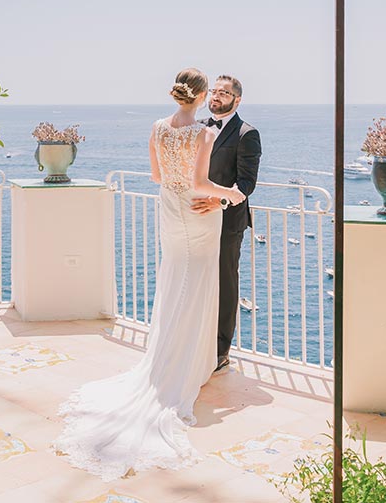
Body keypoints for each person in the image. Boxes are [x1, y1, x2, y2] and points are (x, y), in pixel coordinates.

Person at [53, 68, 247, 480]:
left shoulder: (158, 127)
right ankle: (188, 366)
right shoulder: (204, 134)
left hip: (170, 211)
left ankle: (165, 360)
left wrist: (185, 187)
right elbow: (200, 182)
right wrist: (229, 194)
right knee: (195, 286)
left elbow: (159, 177)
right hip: (198, 214)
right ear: (200, 97)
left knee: (175, 280)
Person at [190, 75, 261, 373]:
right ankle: (195, 341)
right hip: (194, 217)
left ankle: (221, 349)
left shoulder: (247, 133)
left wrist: (217, 202)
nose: (217, 97)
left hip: (227, 220)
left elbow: (246, 183)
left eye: (224, 93)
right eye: (215, 91)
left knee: (225, 282)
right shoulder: (197, 127)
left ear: (237, 99)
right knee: (196, 278)